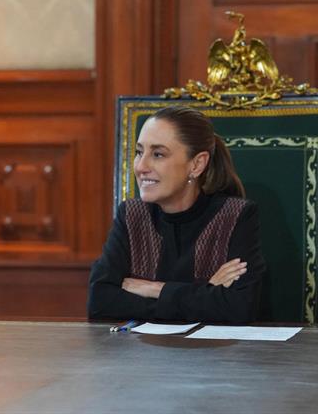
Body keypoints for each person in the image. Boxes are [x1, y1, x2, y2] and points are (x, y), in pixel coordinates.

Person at [88, 105, 266, 323]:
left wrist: (154, 289)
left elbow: (239, 308)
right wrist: (205, 291)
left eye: (158, 154)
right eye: (139, 152)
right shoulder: (131, 215)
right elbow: (100, 302)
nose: (141, 166)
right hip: (142, 346)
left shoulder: (236, 216)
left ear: (197, 164)